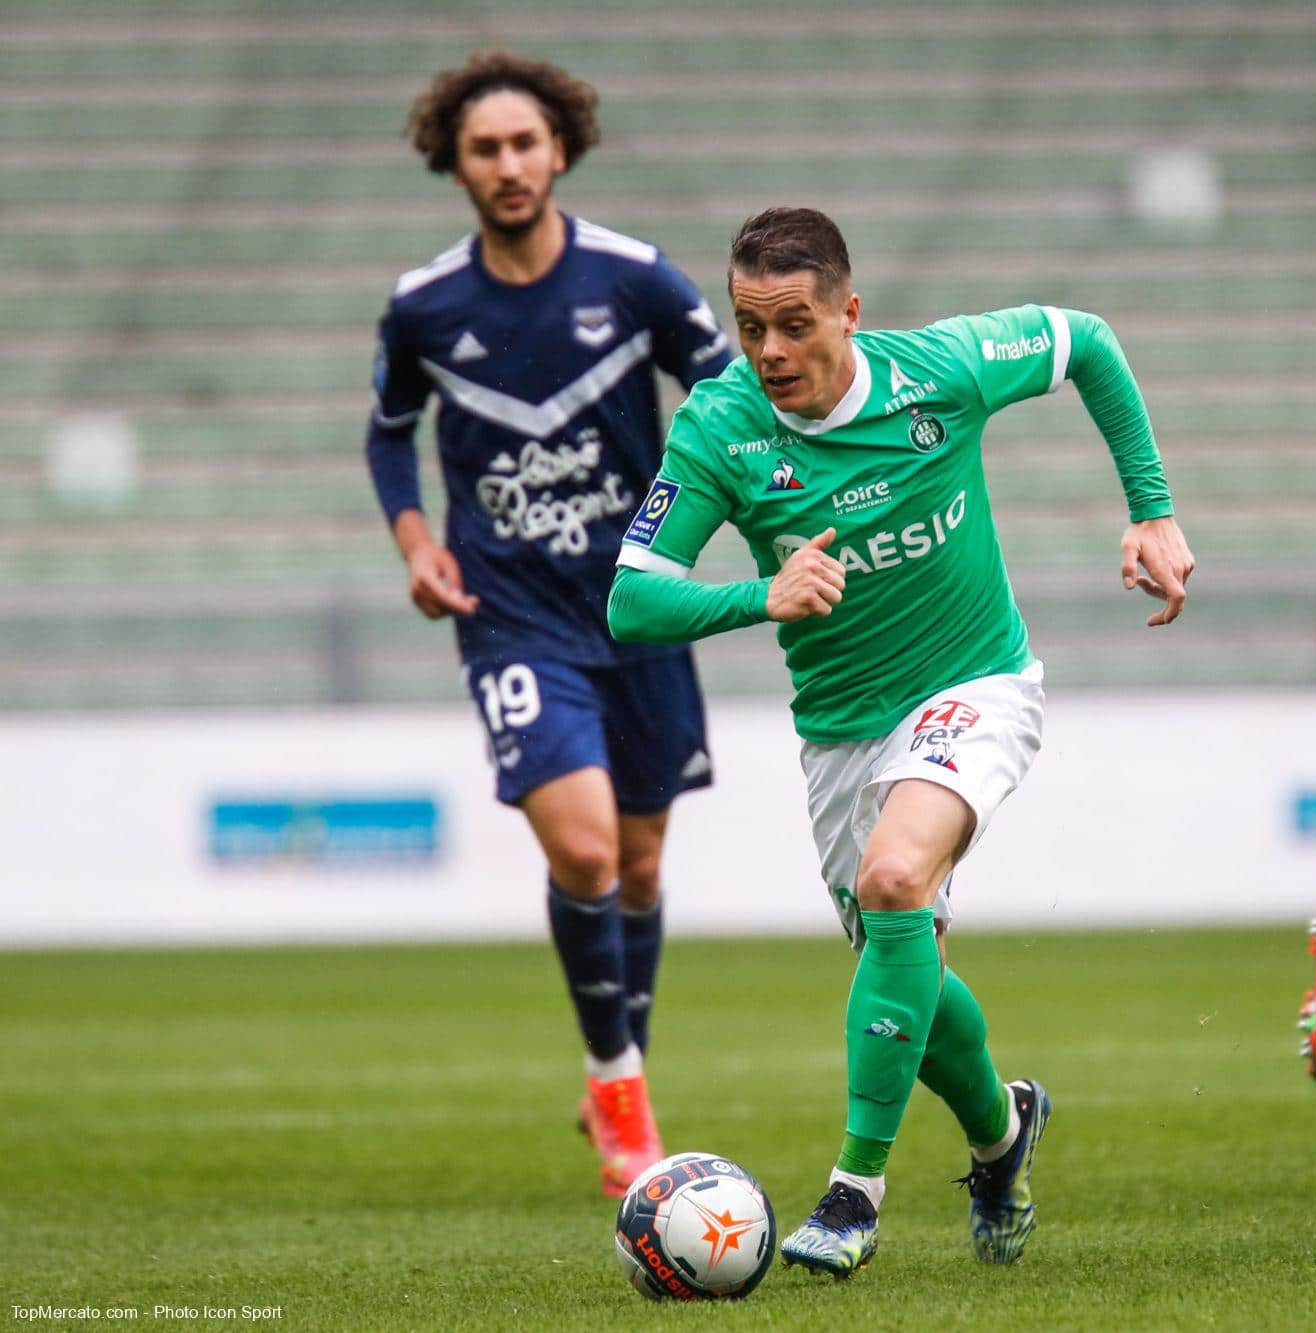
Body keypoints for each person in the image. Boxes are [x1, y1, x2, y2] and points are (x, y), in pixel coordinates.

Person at [607, 206, 1194, 1275]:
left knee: (892, 884)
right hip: (839, 734)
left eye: (795, 324)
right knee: (907, 985)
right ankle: (1002, 1134)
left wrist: (1151, 508)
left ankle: (853, 1193)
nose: (771, 352)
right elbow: (632, 603)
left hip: (977, 684)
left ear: (849, 312)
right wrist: (762, 595)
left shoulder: (942, 368)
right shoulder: (719, 427)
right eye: (749, 328)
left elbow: (1089, 341)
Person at [364, 51, 735, 1197]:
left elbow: (729, 391)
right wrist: (418, 544)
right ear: (455, 163)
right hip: (513, 616)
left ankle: (616, 1077)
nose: (509, 164)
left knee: (636, 862)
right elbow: (388, 432)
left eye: (526, 143)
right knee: (579, 848)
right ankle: (620, 1087)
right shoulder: (425, 306)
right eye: (486, 148)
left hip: (639, 603)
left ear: (561, 148)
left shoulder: (635, 280)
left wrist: (728, 514)